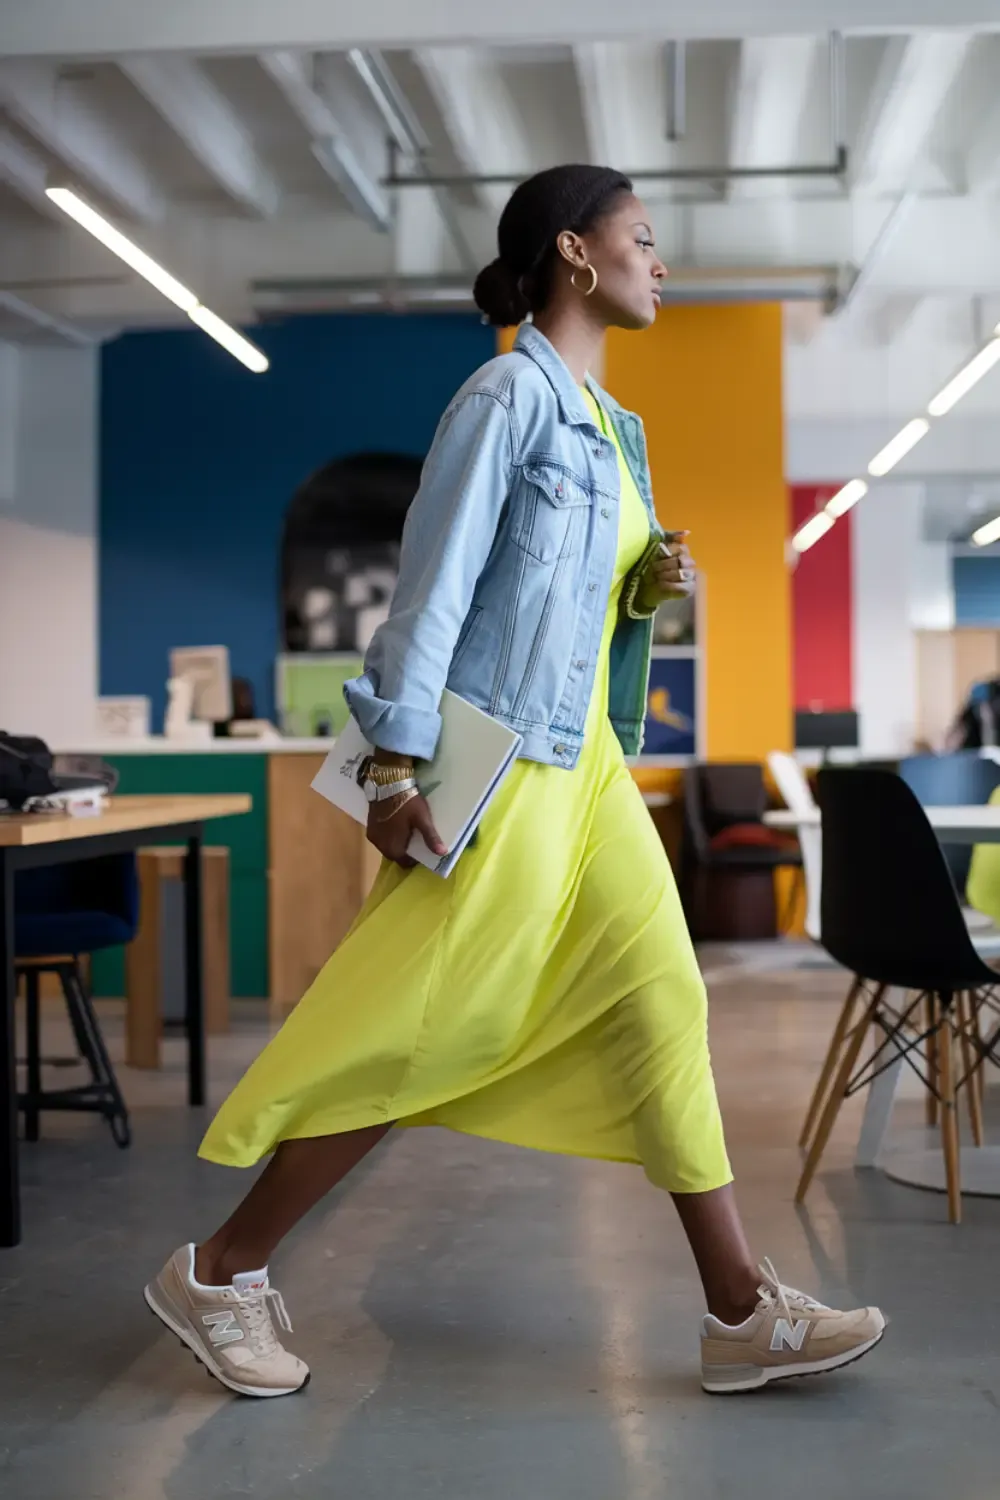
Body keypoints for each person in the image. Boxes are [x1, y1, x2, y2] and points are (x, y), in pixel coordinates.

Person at [145, 165, 885, 1399]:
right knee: (432, 1024)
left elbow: (563, 610)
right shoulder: (504, 398)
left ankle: (740, 1311)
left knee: (663, 1000)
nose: (662, 260)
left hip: (589, 767)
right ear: (574, 253)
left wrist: (642, 588)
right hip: (506, 771)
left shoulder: (610, 425)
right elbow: (431, 592)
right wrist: (390, 767)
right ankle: (220, 1269)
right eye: (641, 237)